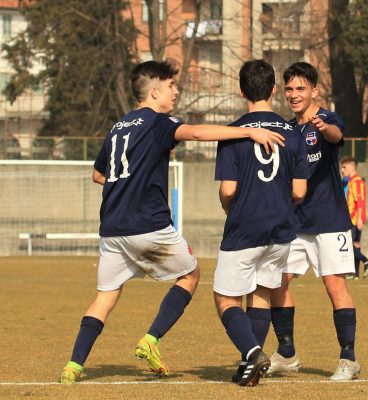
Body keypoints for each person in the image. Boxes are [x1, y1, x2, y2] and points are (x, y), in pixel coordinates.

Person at [59, 60, 285, 384]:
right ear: (154, 91)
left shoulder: (117, 127)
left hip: (112, 229)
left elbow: (98, 174)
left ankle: (73, 366)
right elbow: (197, 132)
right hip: (148, 225)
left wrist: (126, 182)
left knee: (105, 297)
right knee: (191, 275)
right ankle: (151, 339)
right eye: (170, 86)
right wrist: (248, 131)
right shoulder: (157, 122)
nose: (175, 92)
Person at [213, 60, 308, 387]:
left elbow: (228, 189)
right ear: (273, 90)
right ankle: (248, 368)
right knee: (262, 294)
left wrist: (231, 207)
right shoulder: (293, 134)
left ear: (242, 92)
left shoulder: (233, 133)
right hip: (281, 229)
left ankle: (253, 353)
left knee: (225, 299)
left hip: (244, 227)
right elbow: (299, 190)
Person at [268, 62, 360, 381]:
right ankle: (287, 353)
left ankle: (348, 360)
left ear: (315, 91)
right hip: (294, 222)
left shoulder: (327, 119)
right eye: (290, 89)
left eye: (301, 89)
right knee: (277, 281)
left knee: (334, 286)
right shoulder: (287, 129)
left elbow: (337, 135)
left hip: (329, 220)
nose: (295, 95)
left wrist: (324, 128)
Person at [340, 156, 368, 279]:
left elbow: (360, 202)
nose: (342, 170)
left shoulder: (357, 182)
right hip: (354, 218)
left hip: (354, 218)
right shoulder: (351, 181)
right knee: (356, 244)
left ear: (351, 166)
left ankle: (366, 261)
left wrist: (359, 218)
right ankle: (355, 273)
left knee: (350, 246)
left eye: (344, 167)